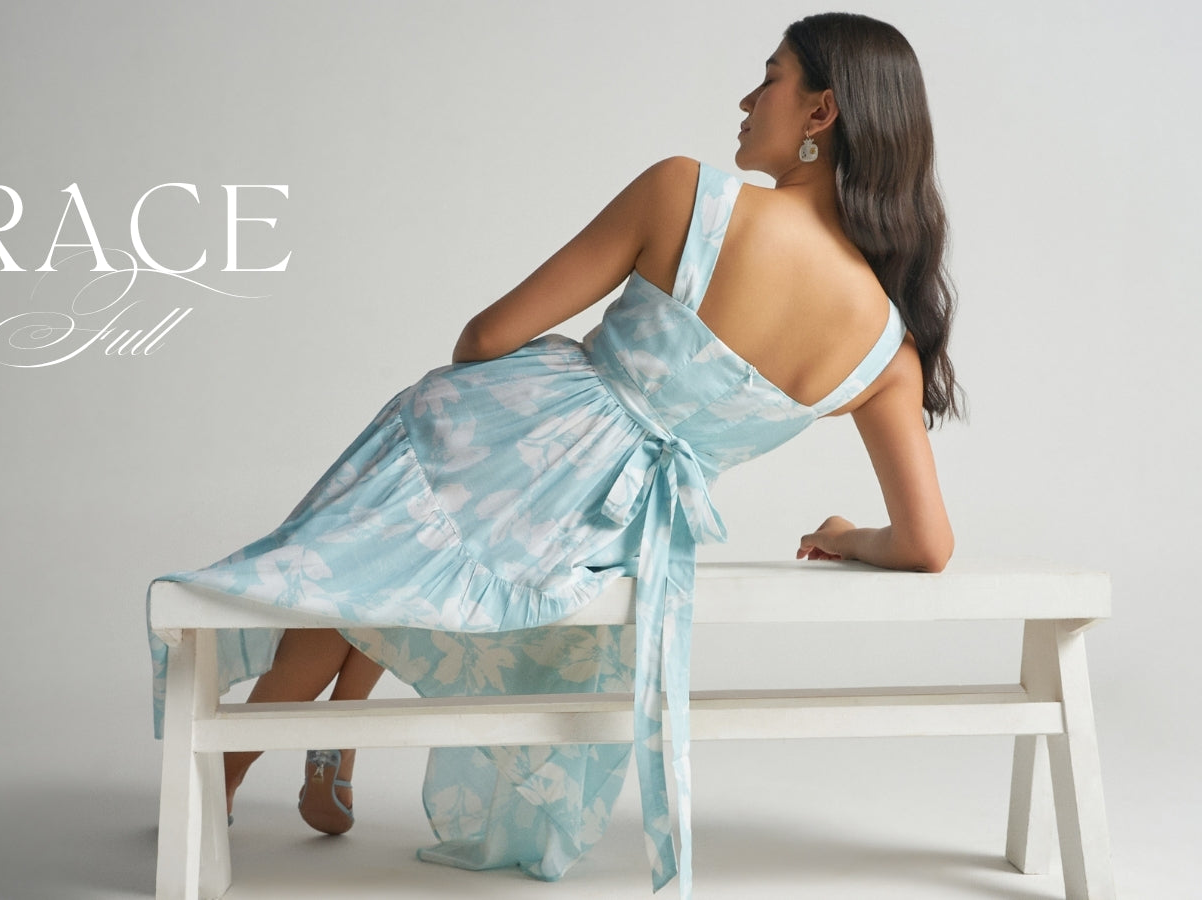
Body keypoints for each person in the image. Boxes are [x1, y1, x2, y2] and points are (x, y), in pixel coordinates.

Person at [145, 10, 961, 896]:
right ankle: (332, 739)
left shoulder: (689, 194)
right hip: (609, 536)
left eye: (768, 79)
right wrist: (846, 536)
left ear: (820, 113)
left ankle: (222, 784)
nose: (745, 99)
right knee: (443, 528)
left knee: (393, 521)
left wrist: (525, 391)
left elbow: (484, 336)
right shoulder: (889, 353)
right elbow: (928, 545)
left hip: (525, 460)